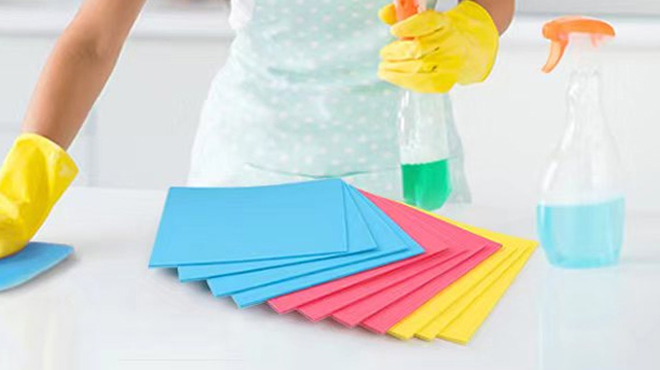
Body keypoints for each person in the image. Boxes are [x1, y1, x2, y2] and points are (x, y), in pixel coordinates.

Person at [0, 0, 514, 258]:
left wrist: (471, 34)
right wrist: (24, 181)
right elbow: (93, 40)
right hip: (244, 186)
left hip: (405, 174)